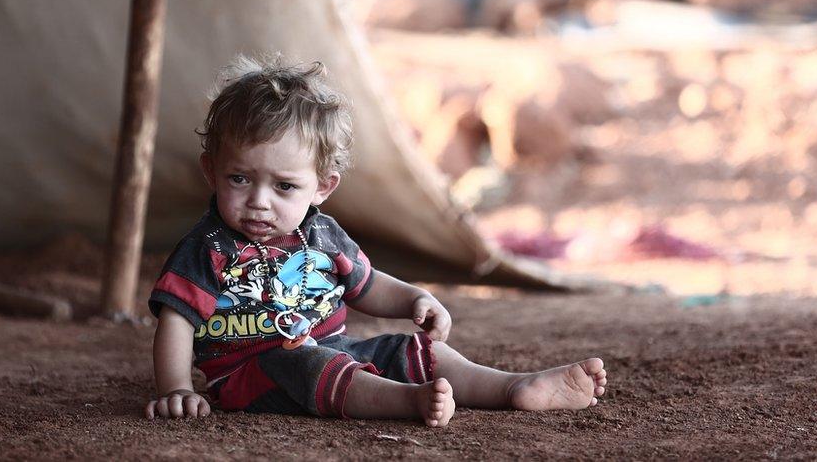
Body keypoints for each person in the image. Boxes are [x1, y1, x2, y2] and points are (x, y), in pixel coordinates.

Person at [144, 56, 607, 426]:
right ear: (212, 172)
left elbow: (365, 285)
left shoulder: (322, 234)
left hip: (334, 347)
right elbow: (177, 320)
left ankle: (513, 387)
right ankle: (406, 402)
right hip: (252, 372)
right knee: (307, 367)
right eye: (240, 179)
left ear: (322, 186)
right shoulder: (207, 248)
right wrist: (176, 389)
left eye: (284, 186)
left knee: (415, 351)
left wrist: (413, 299)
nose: (259, 202)